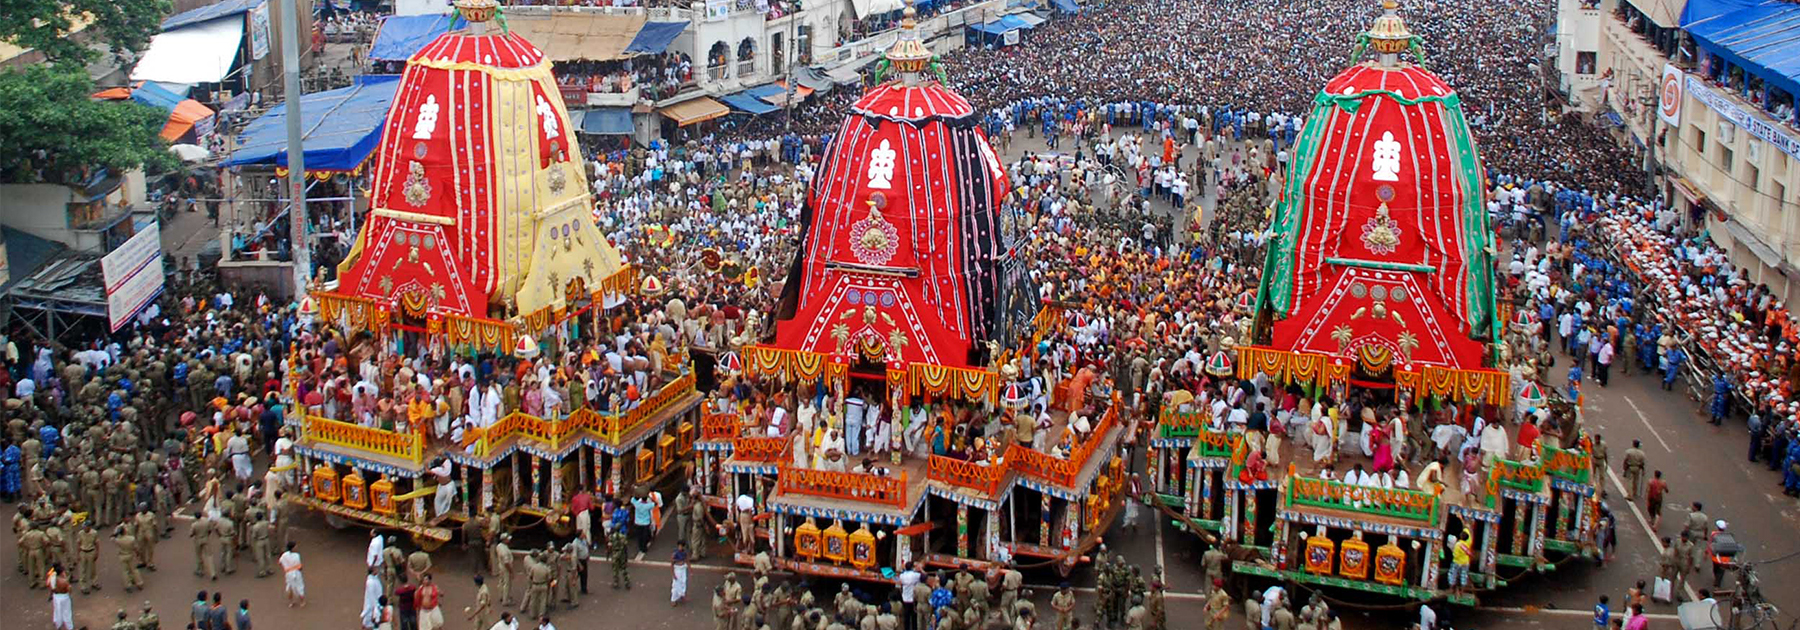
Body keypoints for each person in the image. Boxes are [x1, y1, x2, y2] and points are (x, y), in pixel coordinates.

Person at [279, 541, 306, 607]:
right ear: (293, 548)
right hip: (296, 573)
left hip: (288, 573)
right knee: (299, 586)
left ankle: (291, 602)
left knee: (290, 587)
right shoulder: (296, 555)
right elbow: (299, 566)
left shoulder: (284, 555)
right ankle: (302, 601)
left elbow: (280, 562)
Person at [48, 563, 74, 630]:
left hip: (56, 597)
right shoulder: (64, 582)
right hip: (64, 597)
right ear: (61, 572)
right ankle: (69, 627)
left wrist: (51, 594)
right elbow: (69, 590)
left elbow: (49, 586)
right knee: (67, 612)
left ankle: (58, 625)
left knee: (57, 611)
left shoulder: (52, 578)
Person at [671, 540, 690, 605]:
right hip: (677, 569)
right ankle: (673, 599)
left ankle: (682, 595)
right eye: (679, 546)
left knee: (683, 582)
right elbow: (672, 563)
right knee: (676, 584)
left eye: (681, 546)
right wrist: (673, 574)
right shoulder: (675, 553)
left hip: (683, 569)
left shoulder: (684, 553)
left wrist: (690, 569)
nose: (680, 547)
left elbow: (687, 560)